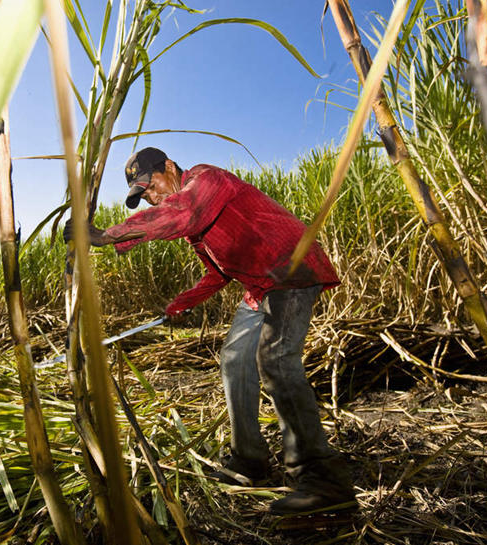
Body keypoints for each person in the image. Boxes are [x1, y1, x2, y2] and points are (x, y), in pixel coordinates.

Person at [67, 147, 356, 515]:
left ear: (169, 167)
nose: (151, 198)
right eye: (143, 197)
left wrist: (109, 235)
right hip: (260, 286)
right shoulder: (198, 231)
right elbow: (216, 274)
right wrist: (179, 305)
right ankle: (250, 460)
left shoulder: (207, 179)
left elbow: (183, 213)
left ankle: (323, 479)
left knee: (276, 360)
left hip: (292, 268)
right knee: (235, 359)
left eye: (151, 186)